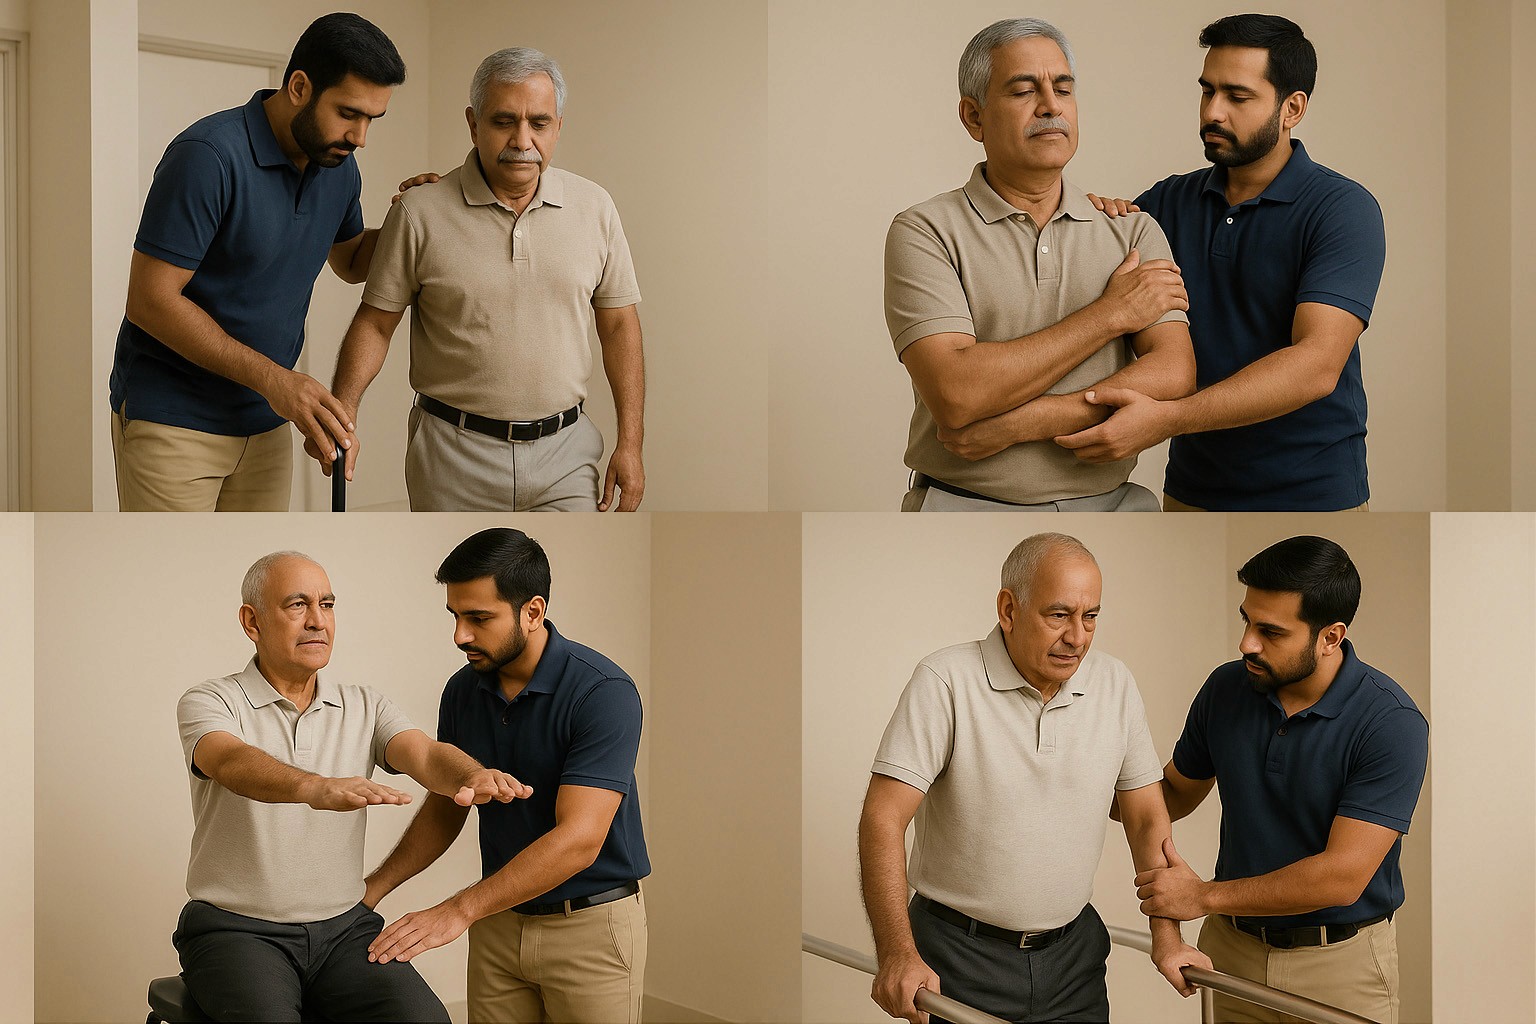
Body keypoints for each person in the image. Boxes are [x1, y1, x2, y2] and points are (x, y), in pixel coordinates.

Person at [859, 533, 1210, 1023]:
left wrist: (1167, 940)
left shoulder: (1115, 683)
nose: (1078, 637)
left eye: (1090, 617)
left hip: (1073, 959)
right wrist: (897, 953)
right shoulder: (945, 679)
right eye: (1059, 615)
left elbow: (1148, 819)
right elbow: (882, 817)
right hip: (957, 957)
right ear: (1008, 609)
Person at [174, 551, 531, 1022]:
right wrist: (313, 788)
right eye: (297, 605)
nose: (317, 621)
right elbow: (229, 761)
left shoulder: (364, 704)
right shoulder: (211, 700)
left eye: (327, 604)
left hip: (344, 930)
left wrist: (468, 774)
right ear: (252, 621)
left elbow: (423, 753)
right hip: (235, 930)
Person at [1064, 15, 1387, 511]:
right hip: (1191, 492)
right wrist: (1097, 222)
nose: (1213, 112)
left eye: (1237, 97)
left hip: (1316, 494)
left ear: (1292, 108)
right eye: (1207, 90)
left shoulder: (1342, 209)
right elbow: (1085, 297)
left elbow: (1316, 366)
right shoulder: (1165, 203)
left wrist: (1167, 419)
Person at [885, 18, 1194, 512]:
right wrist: (1111, 314)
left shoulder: (1132, 231)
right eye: (1024, 90)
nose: (1051, 106)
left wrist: (1025, 422)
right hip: (965, 506)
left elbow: (1174, 371)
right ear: (973, 117)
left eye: (1064, 88)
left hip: (1115, 505)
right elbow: (958, 393)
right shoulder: (924, 231)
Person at [318, 47, 646, 511]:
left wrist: (630, 445)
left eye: (539, 123)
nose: (522, 139)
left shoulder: (596, 208)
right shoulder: (420, 212)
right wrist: (343, 412)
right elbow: (375, 325)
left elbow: (619, 326)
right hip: (452, 457)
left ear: (558, 127)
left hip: (567, 455)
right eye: (503, 121)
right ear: (473, 124)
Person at [111, 13, 409, 511]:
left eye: (371, 119)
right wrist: (276, 380)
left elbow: (353, 261)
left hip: (267, 422)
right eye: (348, 113)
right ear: (298, 86)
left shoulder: (339, 165)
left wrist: (412, 217)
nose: (360, 137)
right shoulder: (206, 156)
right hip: (175, 421)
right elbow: (149, 300)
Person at [1130, 536, 1428, 1022]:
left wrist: (1202, 895)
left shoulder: (1391, 722)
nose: (1247, 642)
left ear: (1331, 636)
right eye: (1247, 621)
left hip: (1340, 965)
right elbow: (1171, 796)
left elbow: (1341, 877)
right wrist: (1087, 768)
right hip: (1231, 952)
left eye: (1271, 631)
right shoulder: (1227, 688)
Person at [361, 528, 649, 1022]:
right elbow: (449, 803)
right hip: (497, 923)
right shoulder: (462, 690)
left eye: (478, 618)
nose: (460, 636)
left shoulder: (604, 692)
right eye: (455, 616)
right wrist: (371, 891)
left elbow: (579, 839)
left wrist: (457, 910)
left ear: (533, 612)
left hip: (590, 928)